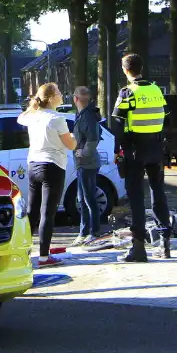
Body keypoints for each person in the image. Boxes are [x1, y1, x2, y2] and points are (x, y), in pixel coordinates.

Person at [110, 53, 171, 262]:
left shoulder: (127, 92)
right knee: (158, 193)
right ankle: (165, 242)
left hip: (135, 150)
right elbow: (166, 117)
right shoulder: (156, 90)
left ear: (125, 70)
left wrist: (118, 150)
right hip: (156, 148)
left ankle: (138, 248)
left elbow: (116, 123)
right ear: (141, 67)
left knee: (136, 198)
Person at [17, 83, 76, 268]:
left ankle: (23, 254)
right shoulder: (57, 119)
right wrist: (75, 136)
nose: (61, 94)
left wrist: (33, 104)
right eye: (58, 92)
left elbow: (20, 118)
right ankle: (44, 257)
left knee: (32, 212)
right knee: (47, 213)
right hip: (53, 166)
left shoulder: (33, 116)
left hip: (33, 164)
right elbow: (70, 145)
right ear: (51, 98)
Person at [71, 86, 103, 245]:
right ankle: (83, 233)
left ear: (76, 99)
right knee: (81, 199)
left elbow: (93, 139)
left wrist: (82, 152)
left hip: (87, 163)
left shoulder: (87, 116)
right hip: (82, 164)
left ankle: (94, 232)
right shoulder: (82, 114)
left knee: (89, 198)